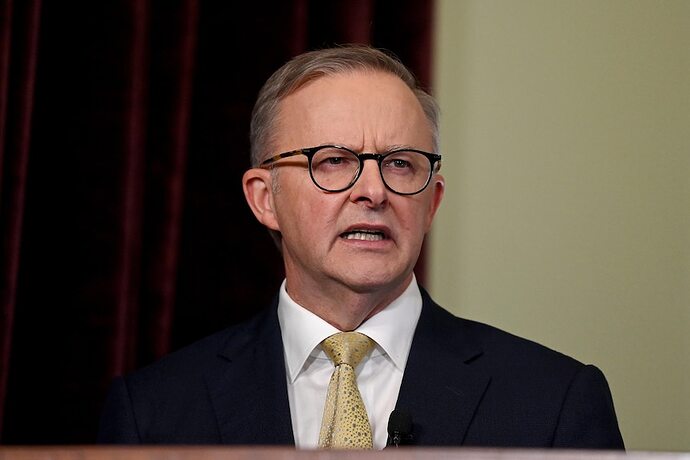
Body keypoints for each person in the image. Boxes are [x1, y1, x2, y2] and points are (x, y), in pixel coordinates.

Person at [98, 45, 624, 449]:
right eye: (332, 160)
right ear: (265, 199)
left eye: (400, 164)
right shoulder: (154, 412)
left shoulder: (555, 403)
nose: (373, 191)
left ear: (432, 202)